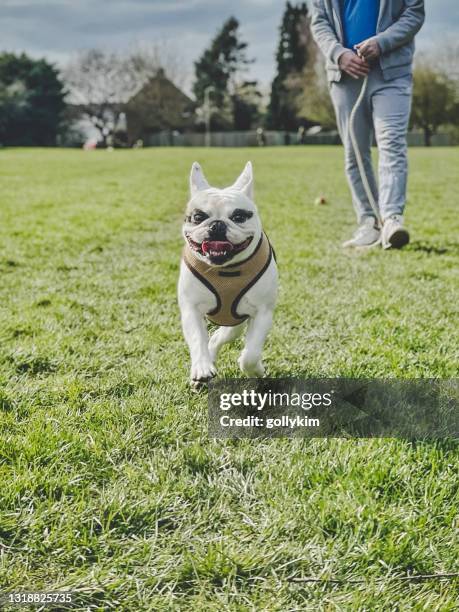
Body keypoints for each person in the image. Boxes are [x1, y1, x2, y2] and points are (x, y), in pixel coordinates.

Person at [311, 0, 425, 249]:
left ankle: (391, 219)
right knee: (354, 153)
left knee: (391, 143)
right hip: (344, 76)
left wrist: (381, 42)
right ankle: (369, 223)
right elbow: (319, 21)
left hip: (392, 74)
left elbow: (414, 13)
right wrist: (339, 54)